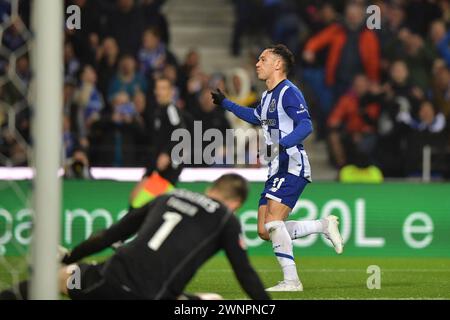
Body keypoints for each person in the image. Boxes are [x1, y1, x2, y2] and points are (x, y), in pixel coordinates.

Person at [0, 174, 270, 300]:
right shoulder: (226, 219)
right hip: (152, 296)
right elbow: (245, 274)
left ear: (211, 188)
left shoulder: (169, 195)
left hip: (107, 281)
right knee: (214, 302)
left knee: (55, 280)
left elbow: (107, 236)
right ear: (236, 204)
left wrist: (71, 257)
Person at [211, 44, 344, 292]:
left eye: (263, 59)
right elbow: (255, 117)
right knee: (264, 230)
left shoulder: (289, 92)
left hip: (291, 165)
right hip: (275, 168)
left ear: (278, 65)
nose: (257, 63)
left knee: (273, 223)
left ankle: (292, 281)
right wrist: (226, 103)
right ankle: (322, 225)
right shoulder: (267, 96)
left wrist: (283, 144)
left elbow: (306, 126)